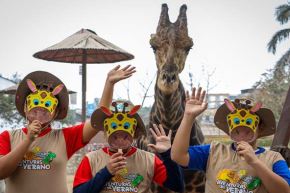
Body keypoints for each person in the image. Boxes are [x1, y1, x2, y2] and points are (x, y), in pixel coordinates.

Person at [0, 65, 135, 193]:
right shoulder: (8, 137)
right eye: (35, 108)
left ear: (56, 112)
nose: (40, 112)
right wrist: (28, 140)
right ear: (25, 107)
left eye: (46, 108)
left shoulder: (65, 137)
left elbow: (97, 119)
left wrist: (109, 84)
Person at [72, 68, 184, 193]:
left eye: (125, 134)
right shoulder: (91, 159)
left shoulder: (149, 160)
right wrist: (106, 172)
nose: (120, 137)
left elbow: (177, 186)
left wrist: (167, 155)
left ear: (135, 131)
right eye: (115, 133)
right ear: (105, 131)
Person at [171, 87, 290, 193]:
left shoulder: (273, 158)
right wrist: (188, 117)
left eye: (248, 127)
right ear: (229, 129)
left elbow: (285, 190)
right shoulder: (214, 151)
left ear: (261, 127)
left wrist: (255, 162)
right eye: (237, 127)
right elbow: (178, 156)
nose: (242, 131)